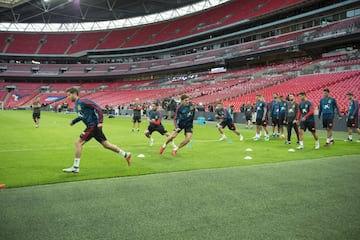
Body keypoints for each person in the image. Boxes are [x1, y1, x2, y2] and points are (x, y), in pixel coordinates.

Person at [63, 87, 131, 173]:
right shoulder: (77, 105)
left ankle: (75, 167)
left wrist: (100, 121)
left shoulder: (83, 101)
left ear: (75, 94)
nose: (67, 97)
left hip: (93, 126)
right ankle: (126, 154)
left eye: (69, 95)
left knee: (78, 143)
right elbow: (82, 116)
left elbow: (97, 107)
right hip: (93, 127)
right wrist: (74, 121)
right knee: (106, 145)